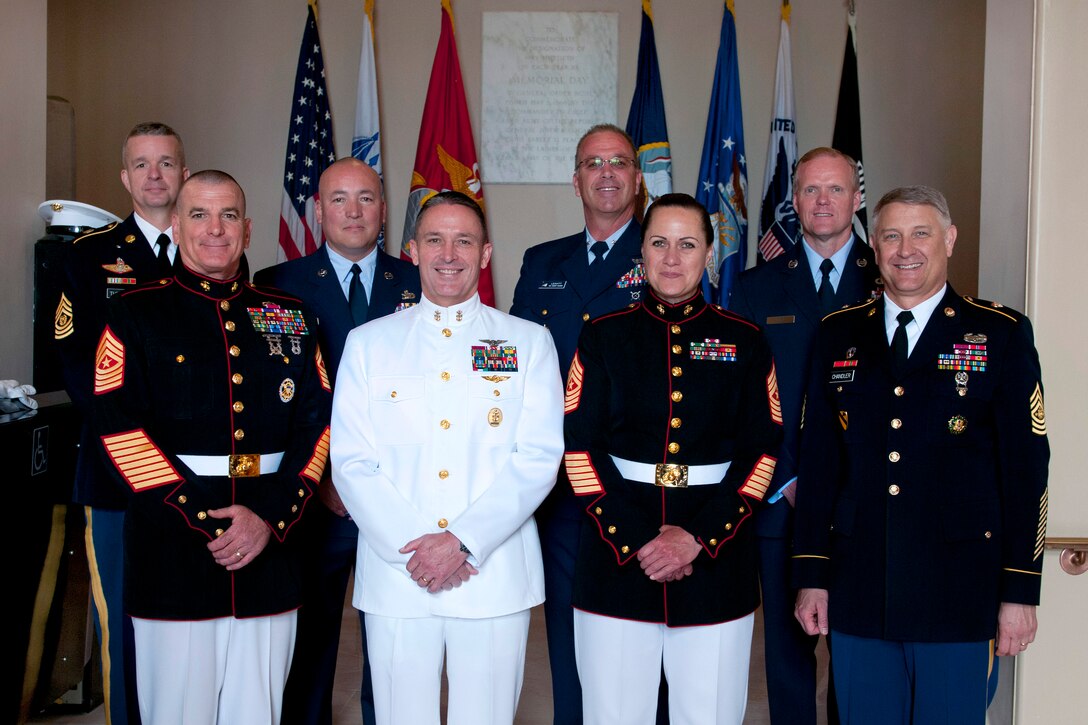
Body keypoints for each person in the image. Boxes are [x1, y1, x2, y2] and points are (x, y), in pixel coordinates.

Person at [792, 186, 1049, 723]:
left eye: (921, 233)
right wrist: (812, 574)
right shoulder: (838, 333)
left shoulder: (999, 334)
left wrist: (1020, 591)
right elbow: (818, 464)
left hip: (959, 595)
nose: (905, 249)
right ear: (874, 245)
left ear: (949, 240)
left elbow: (1026, 473)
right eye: (891, 235)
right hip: (860, 590)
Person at [93, 170, 332, 724]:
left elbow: (317, 428)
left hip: (272, 553)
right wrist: (205, 519)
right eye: (199, 215)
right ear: (176, 227)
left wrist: (269, 518)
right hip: (174, 549)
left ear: (248, 230)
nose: (215, 230)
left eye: (228, 216)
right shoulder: (134, 313)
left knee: (259, 712)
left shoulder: (292, 316)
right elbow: (119, 429)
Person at [331, 191, 564, 725]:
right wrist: (418, 550)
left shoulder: (528, 343)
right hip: (398, 574)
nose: (449, 254)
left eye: (465, 241)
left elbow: (538, 456)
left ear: (486, 254)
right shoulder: (370, 344)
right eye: (435, 239)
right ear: (412, 249)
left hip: (492, 574)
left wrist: (461, 542)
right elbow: (351, 461)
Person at [564, 193, 783, 724]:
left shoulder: (746, 340)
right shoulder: (602, 336)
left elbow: (762, 455)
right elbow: (579, 452)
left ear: (709, 253)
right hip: (616, 563)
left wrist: (697, 538)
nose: (671, 258)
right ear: (641, 251)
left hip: (715, 565)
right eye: (659, 243)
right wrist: (638, 540)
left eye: (687, 245)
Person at [254, 157, 419, 725]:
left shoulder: (421, 283)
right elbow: (277, 406)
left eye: (367, 198)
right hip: (312, 497)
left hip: (398, 496)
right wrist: (322, 477)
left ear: (383, 207)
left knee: (396, 644)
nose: (354, 211)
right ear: (318, 209)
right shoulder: (275, 286)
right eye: (339, 199)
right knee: (309, 638)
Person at [730, 147, 879, 724]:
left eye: (836, 190)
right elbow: (745, 399)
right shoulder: (754, 287)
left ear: (857, 198)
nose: (823, 201)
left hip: (864, 500)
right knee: (787, 659)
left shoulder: (889, 276)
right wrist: (789, 478)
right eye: (811, 190)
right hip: (780, 499)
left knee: (857, 652)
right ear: (794, 201)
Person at [509, 123, 648, 724]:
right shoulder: (542, 262)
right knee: (566, 636)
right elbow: (509, 364)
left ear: (638, 180)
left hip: (637, 481)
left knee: (642, 636)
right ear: (576, 181)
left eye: (619, 161)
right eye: (594, 163)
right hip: (561, 484)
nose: (607, 173)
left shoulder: (667, 252)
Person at [53, 121, 188, 725]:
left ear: (184, 172)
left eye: (165, 163)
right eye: (141, 164)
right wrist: (140, 443)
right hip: (116, 474)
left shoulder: (212, 247)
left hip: (198, 475)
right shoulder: (86, 257)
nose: (154, 175)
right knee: (128, 621)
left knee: (192, 618)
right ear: (124, 177)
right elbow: (76, 364)